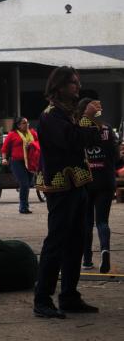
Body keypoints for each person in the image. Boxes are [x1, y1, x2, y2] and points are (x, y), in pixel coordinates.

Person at [32, 66, 101, 319]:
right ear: (59, 86)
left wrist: (88, 122)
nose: (77, 87)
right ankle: (42, 299)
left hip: (78, 184)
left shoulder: (68, 113)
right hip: (61, 186)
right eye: (72, 83)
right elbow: (75, 139)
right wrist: (87, 119)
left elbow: (92, 138)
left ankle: (69, 296)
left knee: (77, 242)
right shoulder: (51, 116)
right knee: (57, 242)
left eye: (77, 82)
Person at [77, 98, 120, 274]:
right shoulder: (107, 128)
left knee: (86, 222)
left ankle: (87, 260)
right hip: (106, 179)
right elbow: (116, 156)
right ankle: (105, 250)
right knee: (102, 221)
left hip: (86, 180)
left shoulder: (78, 128)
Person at [2, 116, 40, 214]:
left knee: (28, 184)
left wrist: (32, 144)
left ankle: (24, 205)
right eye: (24, 123)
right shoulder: (12, 134)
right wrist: (4, 158)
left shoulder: (32, 133)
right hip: (17, 162)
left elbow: (39, 143)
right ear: (18, 125)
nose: (27, 124)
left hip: (31, 161)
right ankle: (23, 207)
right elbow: (5, 148)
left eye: (27, 123)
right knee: (24, 183)